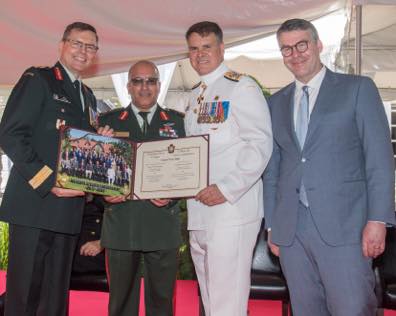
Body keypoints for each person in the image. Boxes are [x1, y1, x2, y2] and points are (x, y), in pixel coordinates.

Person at [263, 18, 395, 316]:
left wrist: (378, 220)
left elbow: (379, 160)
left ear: (318, 45)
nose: (295, 54)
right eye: (286, 49)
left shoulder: (358, 89)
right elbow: (273, 169)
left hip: (347, 228)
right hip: (291, 231)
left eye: (301, 45)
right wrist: (272, 224)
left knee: (352, 308)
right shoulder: (275, 103)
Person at [0, 22, 100, 316]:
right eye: (77, 43)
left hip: (69, 212)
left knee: (56, 299)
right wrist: (47, 181)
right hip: (36, 204)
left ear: (96, 53)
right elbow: (10, 133)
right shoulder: (39, 79)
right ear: (62, 45)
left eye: (90, 46)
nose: (83, 51)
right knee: (25, 294)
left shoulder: (88, 95)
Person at [184, 21, 273, 316]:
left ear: (222, 48)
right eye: (194, 49)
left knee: (227, 301)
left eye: (206, 47)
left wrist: (226, 188)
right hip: (198, 211)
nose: (200, 54)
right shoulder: (193, 95)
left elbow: (259, 144)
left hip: (230, 209)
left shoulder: (241, 87)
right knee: (211, 298)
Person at [98, 60, 185, 316]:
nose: (144, 87)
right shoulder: (107, 123)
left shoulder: (180, 123)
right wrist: (103, 194)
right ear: (128, 86)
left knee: (162, 303)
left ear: (159, 86)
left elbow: (189, 170)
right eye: (138, 81)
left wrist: (174, 194)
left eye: (150, 81)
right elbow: (93, 173)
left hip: (162, 224)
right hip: (122, 225)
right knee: (121, 304)